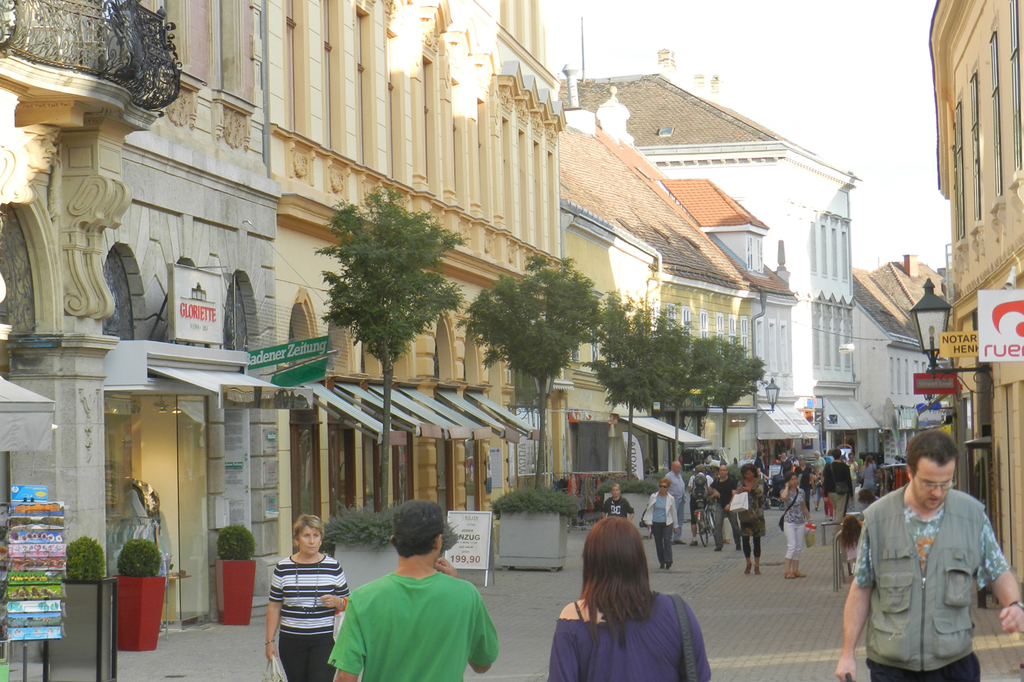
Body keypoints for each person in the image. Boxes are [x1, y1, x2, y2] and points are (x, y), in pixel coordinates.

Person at [835, 429, 1024, 682]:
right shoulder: (879, 518)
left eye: (946, 483)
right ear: (910, 472)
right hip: (892, 665)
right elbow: (861, 589)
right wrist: (847, 654)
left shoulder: (971, 515)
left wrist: (1014, 605)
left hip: (954, 664)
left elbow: (998, 570)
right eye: (929, 483)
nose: (938, 492)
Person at [329, 500, 497, 682]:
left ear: (394, 541)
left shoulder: (363, 598)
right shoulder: (466, 594)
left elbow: (345, 676)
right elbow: (482, 663)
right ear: (438, 541)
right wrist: (453, 589)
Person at [547, 517, 712, 682]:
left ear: (591, 562)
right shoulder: (676, 612)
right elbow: (700, 675)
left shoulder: (574, 619)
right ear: (638, 560)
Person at [267, 515, 350, 682]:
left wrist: (338, 602)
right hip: (292, 639)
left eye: (316, 535)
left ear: (321, 539)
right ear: (297, 540)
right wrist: (269, 641)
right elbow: (274, 607)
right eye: (306, 536)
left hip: (325, 639)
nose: (311, 541)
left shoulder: (333, 567)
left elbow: (348, 603)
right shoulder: (283, 568)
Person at [779, 471, 811, 579]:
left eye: (795, 479)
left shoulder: (801, 492)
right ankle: (787, 571)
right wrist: (787, 487)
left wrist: (809, 518)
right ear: (788, 481)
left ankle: (796, 570)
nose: (794, 481)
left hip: (800, 522)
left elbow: (804, 506)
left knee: (798, 547)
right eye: (792, 479)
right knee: (792, 546)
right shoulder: (785, 491)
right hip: (789, 522)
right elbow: (783, 497)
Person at [736, 463, 766, 575]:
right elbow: (737, 493)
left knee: (757, 540)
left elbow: (761, 493)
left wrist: (749, 490)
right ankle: (748, 563)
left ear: (753, 472)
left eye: (749, 473)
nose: (748, 476)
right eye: (745, 474)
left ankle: (757, 565)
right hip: (744, 514)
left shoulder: (760, 481)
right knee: (745, 540)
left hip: (757, 514)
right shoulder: (740, 483)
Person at [641, 478, 678, 570]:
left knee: (667, 541)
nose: (662, 488)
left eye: (664, 487)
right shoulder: (653, 496)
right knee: (658, 543)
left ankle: (668, 560)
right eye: (660, 486)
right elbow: (649, 510)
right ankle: (662, 561)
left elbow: (674, 512)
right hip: (656, 522)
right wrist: (648, 522)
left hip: (667, 522)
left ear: (668, 488)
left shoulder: (670, 499)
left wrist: (675, 526)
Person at [709, 464, 741, 552]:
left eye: (724, 470)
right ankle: (719, 545)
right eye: (721, 470)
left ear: (727, 472)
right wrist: (714, 492)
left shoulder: (731, 481)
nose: (722, 472)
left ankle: (738, 543)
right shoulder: (716, 481)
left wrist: (730, 504)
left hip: (730, 505)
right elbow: (709, 488)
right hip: (720, 504)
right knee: (718, 524)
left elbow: (734, 494)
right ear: (719, 472)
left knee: (734, 525)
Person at [823, 447, 854, 519]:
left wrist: (825, 495)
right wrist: (851, 494)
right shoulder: (845, 467)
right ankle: (836, 529)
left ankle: (841, 528)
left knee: (836, 510)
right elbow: (849, 480)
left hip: (831, 492)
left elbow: (826, 481)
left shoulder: (829, 467)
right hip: (842, 492)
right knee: (840, 512)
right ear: (840, 456)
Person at [687, 466, 712, 546]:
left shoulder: (692, 478)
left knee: (693, 519)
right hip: (704, 499)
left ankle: (694, 539)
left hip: (694, 500)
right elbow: (710, 488)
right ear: (704, 470)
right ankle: (706, 522)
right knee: (705, 511)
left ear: (695, 471)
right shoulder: (708, 477)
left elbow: (689, 488)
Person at [665, 461, 688, 544]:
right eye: (677, 467)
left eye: (679, 467)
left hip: (681, 499)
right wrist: (670, 496)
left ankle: (677, 537)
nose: (678, 469)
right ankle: (670, 538)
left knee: (680, 519)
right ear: (672, 467)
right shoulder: (668, 476)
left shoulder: (679, 476)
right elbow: (665, 487)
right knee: (672, 519)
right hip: (674, 500)